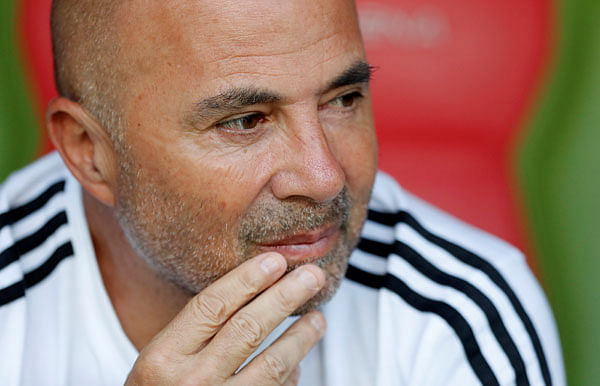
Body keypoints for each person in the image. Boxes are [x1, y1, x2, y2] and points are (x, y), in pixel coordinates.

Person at [0, 0, 564, 385]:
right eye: (245, 121)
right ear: (88, 151)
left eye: (343, 99)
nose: (325, 178)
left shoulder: (460, 310)